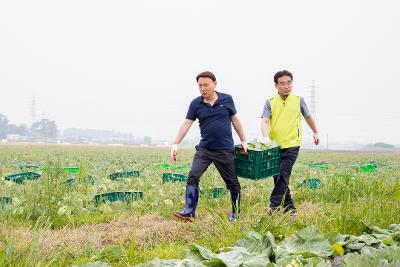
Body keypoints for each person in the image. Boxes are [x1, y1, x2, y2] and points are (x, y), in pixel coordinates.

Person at [171, 71, 248, 222]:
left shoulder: (227, 99)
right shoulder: (196, 103)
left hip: (224, 150)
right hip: (204, 149)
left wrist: (244, 140)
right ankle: (189, 211)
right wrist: (176, 143)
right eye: (200, 86)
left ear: (215, 84)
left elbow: (235, 120)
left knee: (232, 182)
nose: (203, 88)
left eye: (206, 85)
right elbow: (187, 123)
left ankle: (235, 213)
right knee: (193, 175)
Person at [261, 70, 319, 215]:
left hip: (292, 144)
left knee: (283, 174)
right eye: (282, 83)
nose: (286, 86)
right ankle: (290, 209)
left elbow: (308, 116)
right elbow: (265, 120)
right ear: (276, 85)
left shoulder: (299, 100)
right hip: (274, 146)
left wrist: (315, 131)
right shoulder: (270, 102)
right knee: (279, 178)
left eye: (289, 82)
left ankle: (273, 207)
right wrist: (265, 137)